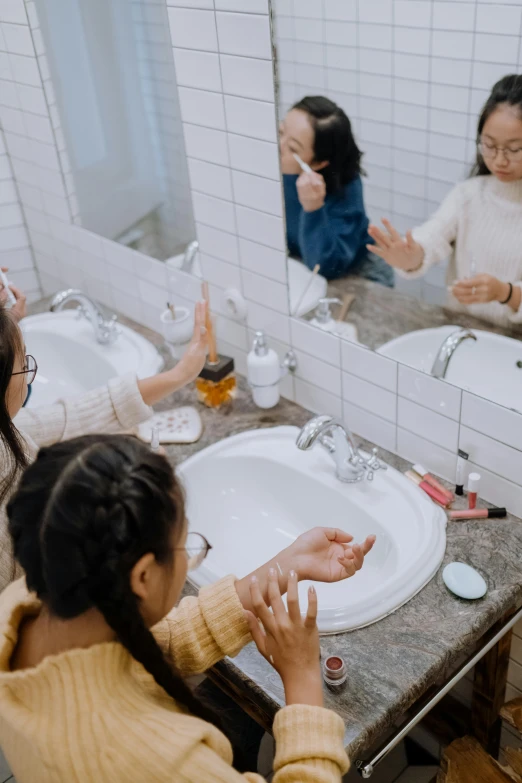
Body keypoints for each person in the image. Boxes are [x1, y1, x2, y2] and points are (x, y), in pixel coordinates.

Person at [1, 434, 375, 781]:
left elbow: (148, 645)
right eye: (185, 546)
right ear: (143, 576)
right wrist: (303, 677)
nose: (188, 559)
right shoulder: (155, 759)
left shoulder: (26, 604)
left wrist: (285, 565)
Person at [0, 297, 209, 591]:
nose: (29, 377)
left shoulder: (6, 433)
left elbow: (68, 416)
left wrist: (181, 374)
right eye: (25, 363)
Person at [368, 74, 522, 329]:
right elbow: (432, 236)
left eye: (515, 149)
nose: (499, 160)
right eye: (489, 145)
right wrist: (411, 256)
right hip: (459, 332)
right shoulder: (469, 195)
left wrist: (505, 293)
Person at [279, 95, 394, 287]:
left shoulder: (345, 189)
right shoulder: (280, 165)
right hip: (302, 263)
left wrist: (313, 208)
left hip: (354, 273)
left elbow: (325, 267)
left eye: (292, 148)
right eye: (280, 131)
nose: (278, 145)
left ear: (317, 163)